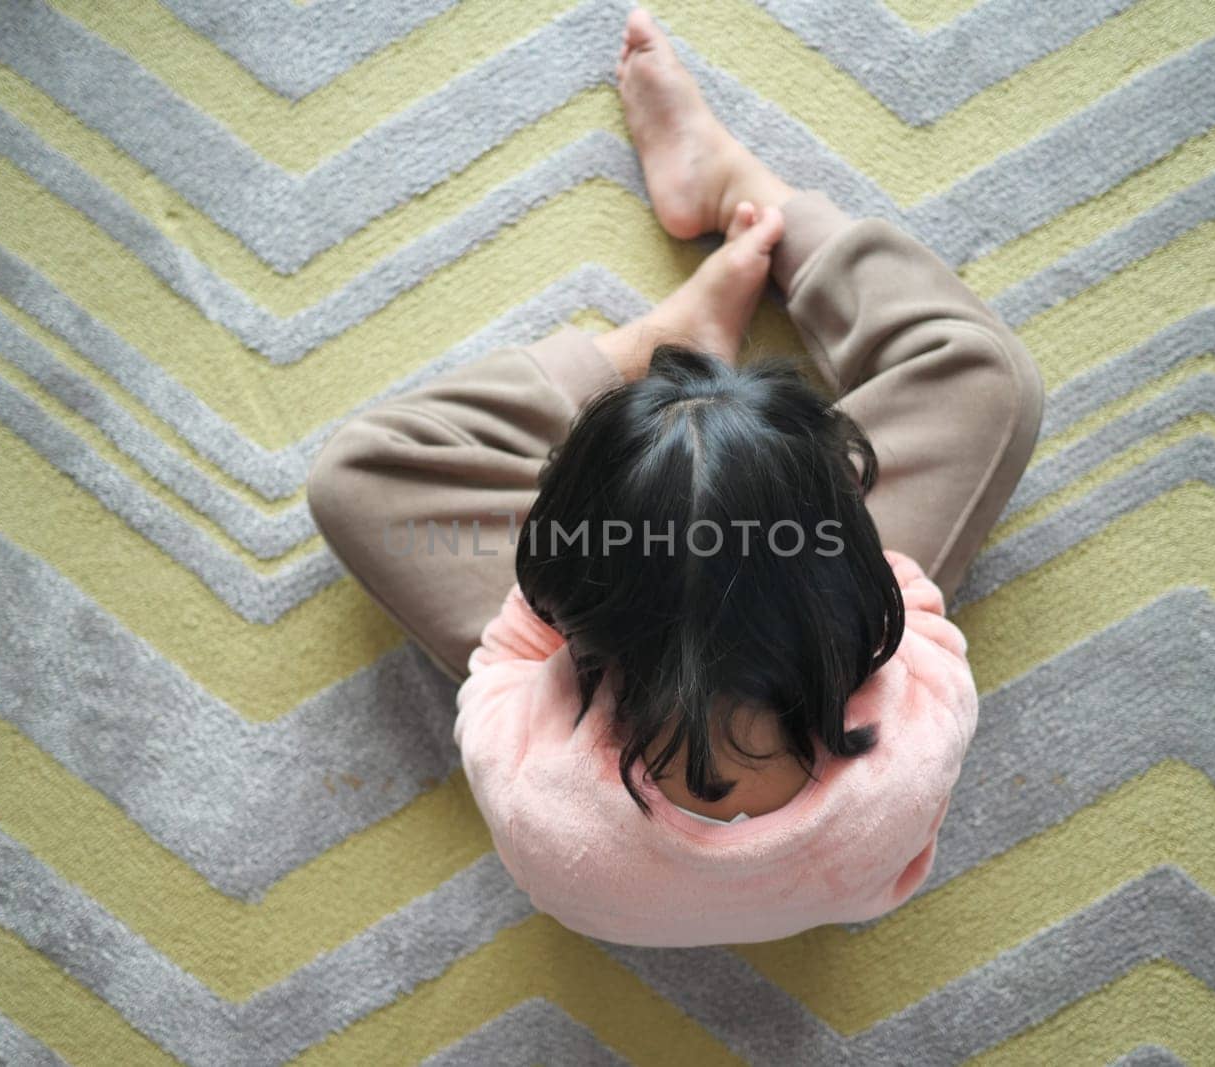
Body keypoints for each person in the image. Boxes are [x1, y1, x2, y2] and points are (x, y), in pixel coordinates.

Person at [306, 9, 1043, 947]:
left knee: (355, 477)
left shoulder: (546, 805)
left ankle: (652, 348)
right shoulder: (907, 751)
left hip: (602, 799)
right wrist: (851, 561)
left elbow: (504, 672)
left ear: (572, 585)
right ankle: (751, 193)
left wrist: (556, 598)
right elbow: (921, 624)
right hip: (836, 803)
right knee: (988, 378)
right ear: (848, 576)